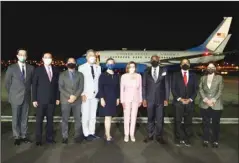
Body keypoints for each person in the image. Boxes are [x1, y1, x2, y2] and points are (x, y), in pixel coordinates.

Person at [5, 48, 34, 145]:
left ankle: (24, 135)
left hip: (26, 97)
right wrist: (12, 94)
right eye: (20, 54)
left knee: (24, 117)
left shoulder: (30, 68)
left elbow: (31, 84)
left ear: (26, 56)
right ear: (17, 56)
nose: (22, 56)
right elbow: (7, 84)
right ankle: (17, 136)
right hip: (15, 97)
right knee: (16, 118)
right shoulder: (11, 68)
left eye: (24, 54)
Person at [32, 53, 60, 146]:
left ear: (52, 59)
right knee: (39, 121)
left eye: (49, 57)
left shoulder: (56, 70)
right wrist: (34, 99)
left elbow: (57, 86)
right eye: (46, 57)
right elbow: (34, 86)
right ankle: (38, 140)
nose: (48, 59)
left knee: (50, 120)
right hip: (40, 100)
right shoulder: (38, 70)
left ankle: (49, 138)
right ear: (43, 59)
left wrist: (57, 98)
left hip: (52, 100)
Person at [142, 55, 169, 144]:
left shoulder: (164, 71)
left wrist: (166, 98)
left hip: (161, 99)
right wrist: (144, 99)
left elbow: (166, 85)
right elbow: (144, 86)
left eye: (156, 60)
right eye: (152, 60)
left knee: (160, 119)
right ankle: (150, 135)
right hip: (149, 99)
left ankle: (159, 136)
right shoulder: (146, 71)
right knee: (150, 118)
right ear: (150, 61)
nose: (154, 61)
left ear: (159, 61)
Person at [171, 58, 198, 147]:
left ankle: (187, 139)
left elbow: (196, 89)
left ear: (189, 65)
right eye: (183, 63)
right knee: (177, 121)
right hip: (179, 103)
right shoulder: (175, 75)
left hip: (190, 102)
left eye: (187, 63)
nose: (185, 64)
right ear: (180, 65)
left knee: (188, 122)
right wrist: (180, 99)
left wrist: (190, 99)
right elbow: (173, 89)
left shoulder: (194, 75)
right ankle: (178, 138)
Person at [59, 58, 84, 144]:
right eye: (69, 62)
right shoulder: (62, 74)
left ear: (75, 64)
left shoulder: (80, 74)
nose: (71, 63)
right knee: (65, 119)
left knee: (78, 119)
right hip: (66, 100)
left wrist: (75, 96)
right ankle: (64, 136)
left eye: (73, 62)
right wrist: (70, 96)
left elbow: (81, 87)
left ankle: (77, 135)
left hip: (77, 100)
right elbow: (60, 88)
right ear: (66, 64)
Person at [199, 62, 224, 148]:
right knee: (205, 124)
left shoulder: (219, 77)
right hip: (205, 104)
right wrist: (205, 99)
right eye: (209, 67)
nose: (210, 68)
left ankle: (215, 140)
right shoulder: (203, 78)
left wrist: (213, 100)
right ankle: (206, 139)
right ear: (206, 68)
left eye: (212, 67)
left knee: (215, 124)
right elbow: (200, 89)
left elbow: (220, 90)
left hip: (216, 104)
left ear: (215, 68)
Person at [78, 49, 101, 141]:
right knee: (85, 115)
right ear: (87, 57)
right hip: (86, 95)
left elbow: (98, 81)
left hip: (95, 96)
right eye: (90, 55)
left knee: (93, 115)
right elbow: (80, 82)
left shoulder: (98, 67)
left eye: (93, 55)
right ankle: (86, 133)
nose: (92, 57)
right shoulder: (81, 67)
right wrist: (82, 94)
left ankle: (92, 132)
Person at [96, 58, 120, 142]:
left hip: (113, 98)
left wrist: (117, 98)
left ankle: (106, 133)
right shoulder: (103, 75)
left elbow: (117, 88)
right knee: (108, 117)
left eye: (112, 63)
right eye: (109, 63)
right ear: (106, 65)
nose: (110, 65)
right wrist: (101, 98)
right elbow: (100, 87)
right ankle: (108, 135)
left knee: (110, 116)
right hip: (106, 98)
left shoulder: (116, 75)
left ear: (114, 64)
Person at [120, 61, 142, 142]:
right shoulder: (124, 76)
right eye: (130, 66)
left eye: (133, 66)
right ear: (128, 67)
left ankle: (131, 134)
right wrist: (122, 101)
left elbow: (140, 89)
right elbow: (122, 89)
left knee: (134, 117)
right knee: (126, 117)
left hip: (136, 99)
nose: (132, 68)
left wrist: (140, 99)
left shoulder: (139, 76)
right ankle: (126, 134)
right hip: (126, 99)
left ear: (135, 68)